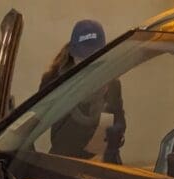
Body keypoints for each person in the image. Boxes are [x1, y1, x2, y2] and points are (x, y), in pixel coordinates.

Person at [39, 20, 126, 163]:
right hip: (64, 163)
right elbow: (35, 121)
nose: (88, 65)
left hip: (102, 163)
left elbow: (119, 120)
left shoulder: (112, 83)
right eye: (82, 59)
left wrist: (116, 135)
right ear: (72, 53)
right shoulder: (54, 81)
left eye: (93, 59)